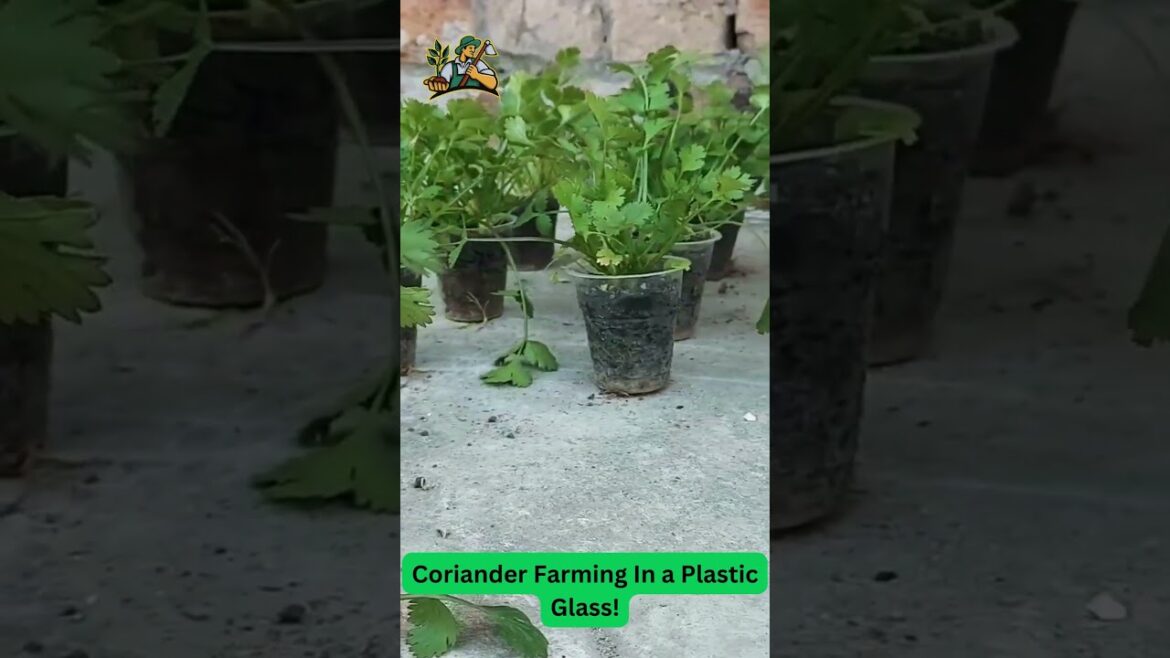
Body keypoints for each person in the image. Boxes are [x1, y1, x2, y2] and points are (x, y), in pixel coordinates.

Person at [424, 36, 498, 94]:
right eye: (470, 47)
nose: (473, 50)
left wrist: (477, 75)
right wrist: (437, 84)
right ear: (463, 49)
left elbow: (493, 84)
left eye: (474, 48)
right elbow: (442, 83)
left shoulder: (478, 64)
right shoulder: (449, 67)